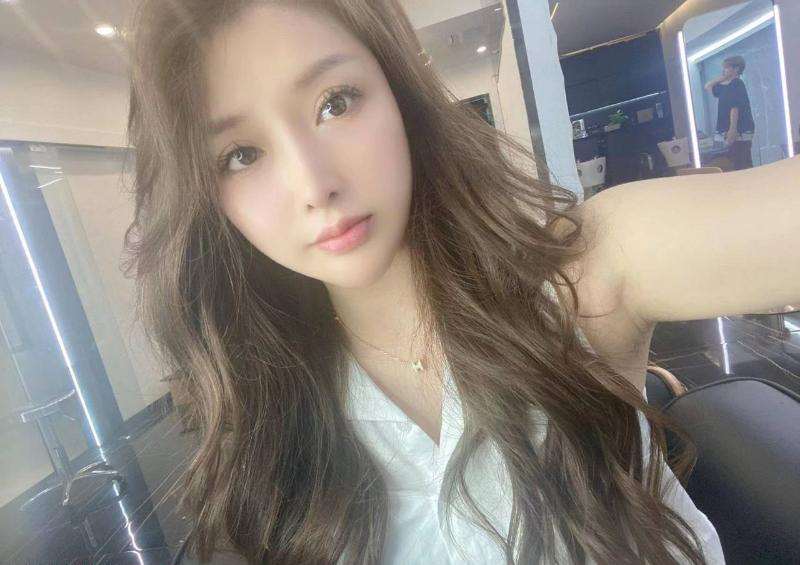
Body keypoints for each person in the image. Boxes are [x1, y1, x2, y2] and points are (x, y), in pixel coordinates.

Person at [124, 1, 798, 563]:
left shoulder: (576, 282)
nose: (313, 184)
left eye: (336, 102)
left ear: (401, 95)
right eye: (241, 154)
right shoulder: (266, 423)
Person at [704, 55, 756, 170]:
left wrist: (732, 129)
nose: (724, 70)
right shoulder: (726, 86)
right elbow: (708, 86)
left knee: (741, 162)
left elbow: (734, 108)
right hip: (732, 130)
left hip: (739, 130)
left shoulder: (737, 84)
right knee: (737, 161)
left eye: (727, 67)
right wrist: (724, 77)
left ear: (736, 68)